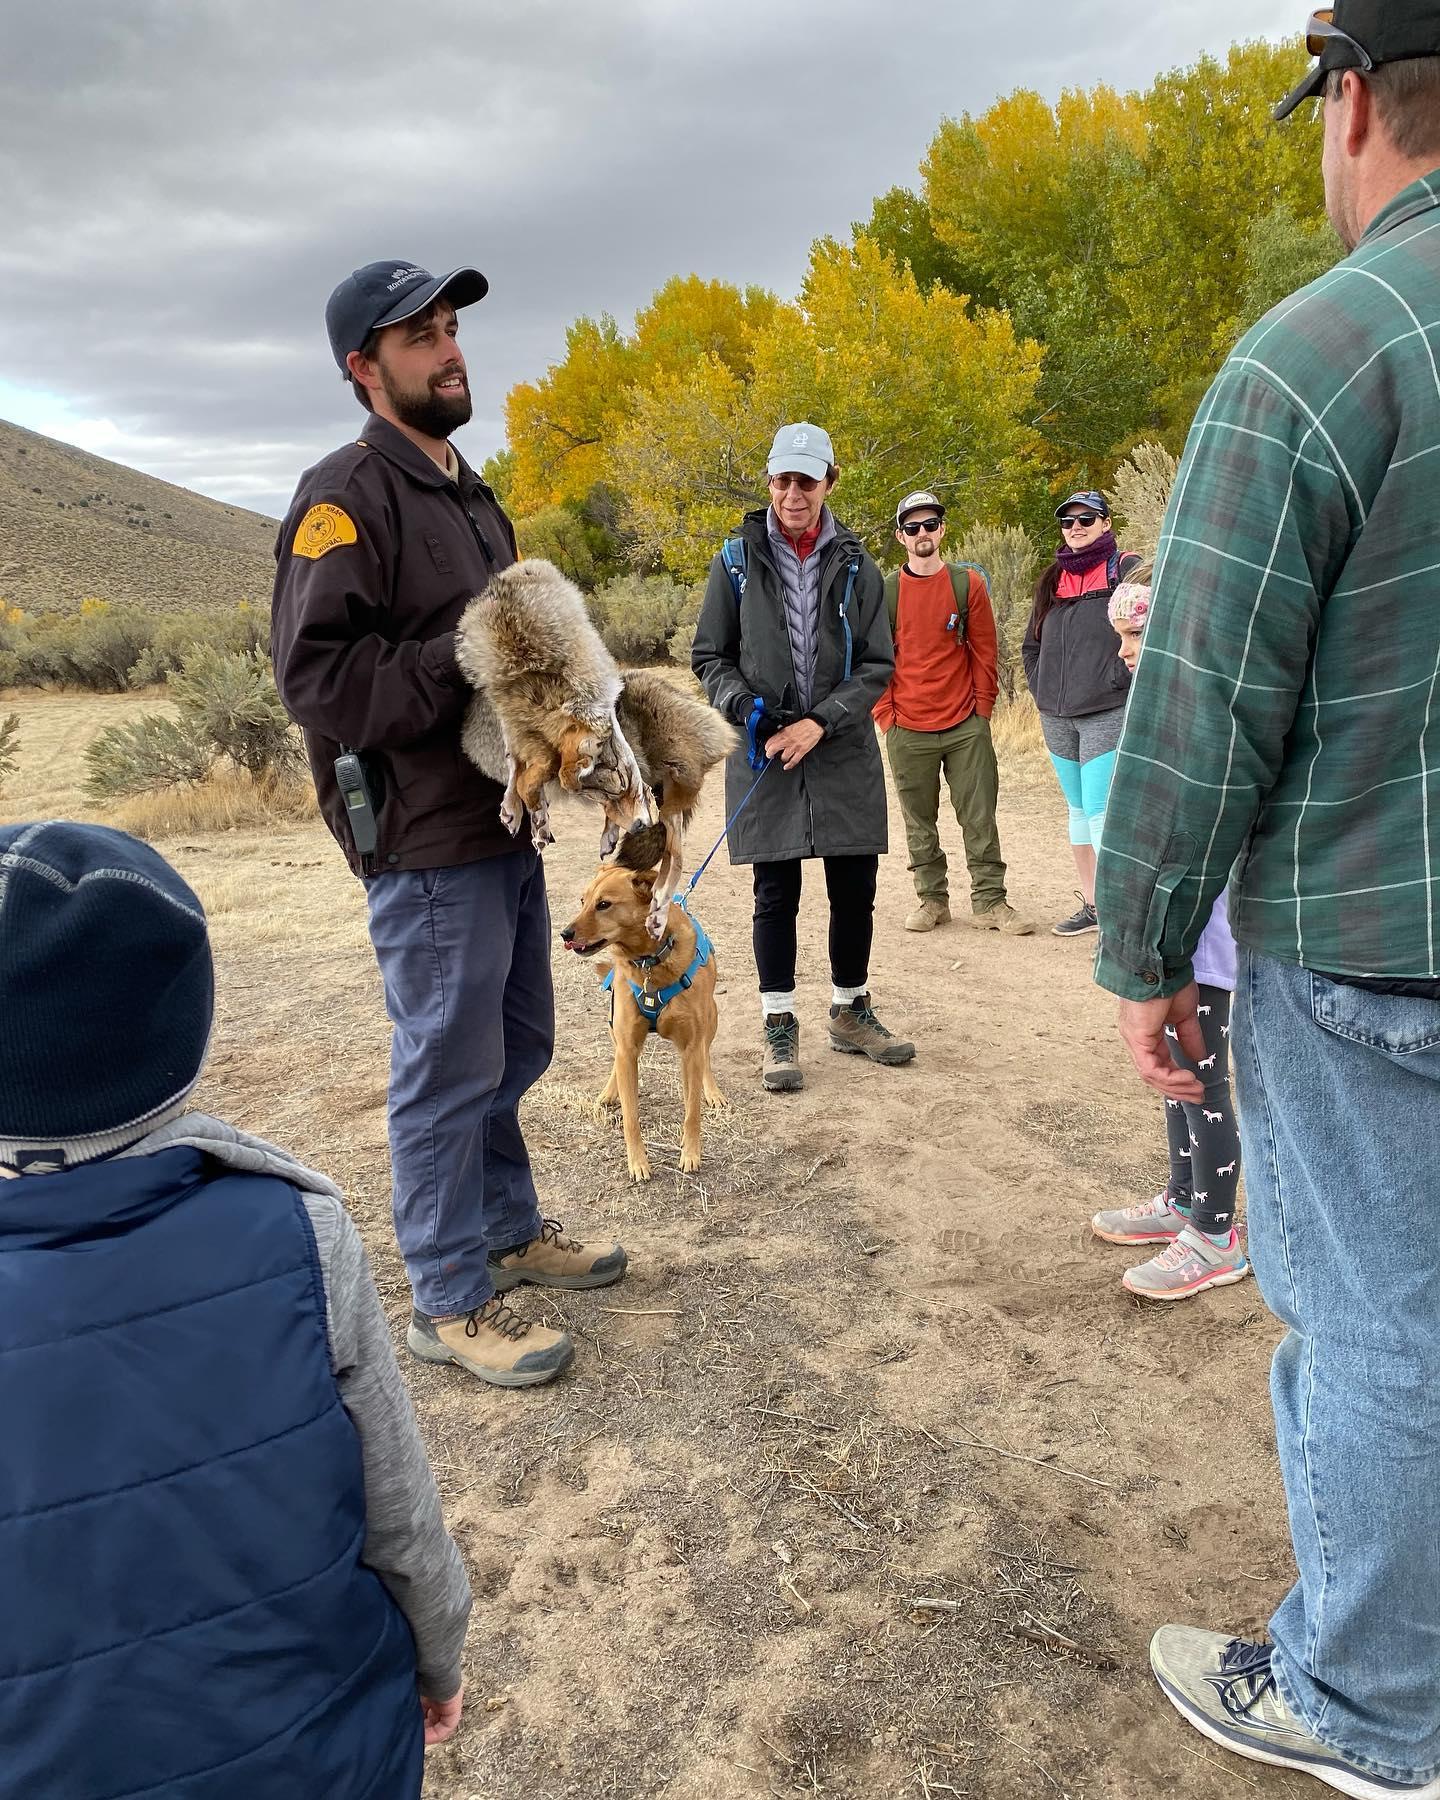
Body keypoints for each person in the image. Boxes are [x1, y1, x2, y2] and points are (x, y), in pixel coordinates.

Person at [1094, 5, 1440, 1789]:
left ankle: (1375, 1705)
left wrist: (1151, 955)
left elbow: (1203, 707)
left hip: (1376, 945)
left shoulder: (1320, 355)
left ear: (1358, 100)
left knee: (1383, 1321)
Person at [0, 822, 471, 1798]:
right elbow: (399, 1510)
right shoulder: (296, 1226)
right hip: (329, 1754)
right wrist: (440, 1656)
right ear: (183, 1026)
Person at [271, 260, 626, 1391]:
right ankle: (447, 1297)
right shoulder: (344, 499)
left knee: (518, 1046)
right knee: (446, 1065)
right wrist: (462, 655)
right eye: (417, 336)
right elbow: (317, 679)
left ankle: (505, 1228)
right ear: (363, 370)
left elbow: (512, 663)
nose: (448, 347)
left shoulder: (474, 496)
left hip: (503, 827)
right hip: (422, 843)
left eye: (450, 325)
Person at [692, 421, 914, 1093]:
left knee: (856, 888)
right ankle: (778, 1024)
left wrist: (822, 721)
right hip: (763, 749)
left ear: (829, 482)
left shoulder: (858, 564)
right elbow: (709, 656)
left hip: (840, 746)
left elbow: (878, 664)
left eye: (807, 480)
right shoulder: (733, 561)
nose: (794, 493)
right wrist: (743, 709)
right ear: (769, 483)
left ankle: (851, 1012)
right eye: (783, 479)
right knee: (774, 892)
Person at [1087, 567, 1248, 1299]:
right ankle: (1183, 1198)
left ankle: (1216, 1232)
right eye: (1119, 638)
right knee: (1174, 1076)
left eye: (1134, 637)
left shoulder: (1207, 719)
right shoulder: (1164, 717)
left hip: (1212, 939)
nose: (1123, 653)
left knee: (1203, 1078)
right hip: (1176, 939)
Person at [872, 490, 1034, 936]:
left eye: (930, 524)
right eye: (912, 527)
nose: (922, 534)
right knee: (918, 820)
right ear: (901, 536)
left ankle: (991, 901)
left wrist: (981, 711)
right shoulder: (885, 592)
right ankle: (932, 899)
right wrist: (887, 715)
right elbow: (875, 660)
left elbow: (985, 651)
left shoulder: (968, 584)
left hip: (965, 725)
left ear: (942, 529)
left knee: (980, 815)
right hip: (907, 726)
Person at [1021, 491, 1140, 937]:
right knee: (1076, 809)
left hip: (1106, 707)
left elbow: (1147, 627)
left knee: (1100, 810)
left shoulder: (1125, 569)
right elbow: (1031, 642)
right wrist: (1039, 685)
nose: (1076, 527)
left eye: (1086, 518)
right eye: (1068, 521)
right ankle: (1093, 906)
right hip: (1055, 712)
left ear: (1106, 523)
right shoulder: (1052, 577)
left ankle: (1118, 914)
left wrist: (1119, 678)